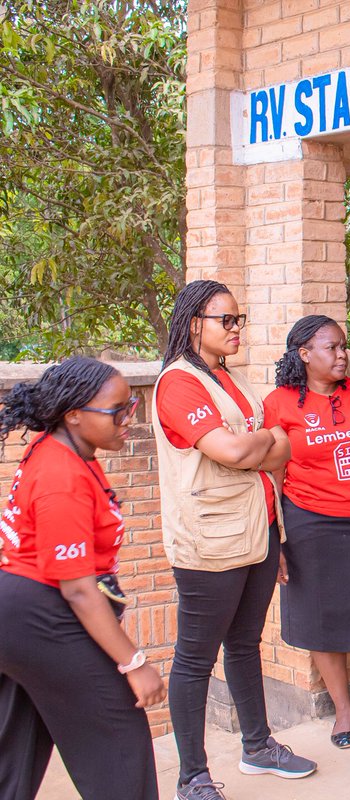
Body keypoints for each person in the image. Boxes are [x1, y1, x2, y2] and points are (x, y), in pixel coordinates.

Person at [152, 280, 317, 800]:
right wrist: (262, 444)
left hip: (260, 533)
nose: (236, 328)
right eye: (226, 320)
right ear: (194, 322)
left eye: (239, 319)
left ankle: (258, 746)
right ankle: (192, 777)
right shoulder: (178, 384)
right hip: (210, 543)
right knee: (195, 659)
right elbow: (235, 451)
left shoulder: (232, 379)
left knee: (245, 644)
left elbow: (281, 445)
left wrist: (262, 444)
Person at [0, 358, 165, 800]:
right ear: (73, 414)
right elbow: (77, 587)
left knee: (17, 747)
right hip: (40, 615)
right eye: (117, 411)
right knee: (119, 739)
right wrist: (135, 664)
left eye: (131, 405)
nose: (129, 418)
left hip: (20, 614)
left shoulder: (63, 449)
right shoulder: (61, 475)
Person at [264, 315, 350, 762]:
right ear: (304, 354)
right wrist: (277, 542)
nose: (344, 355)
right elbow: (272, 476)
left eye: (345, 347)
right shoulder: (281, 404)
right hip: (309, 525)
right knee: (322, 623)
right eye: (332, 348)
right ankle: (344, 712)